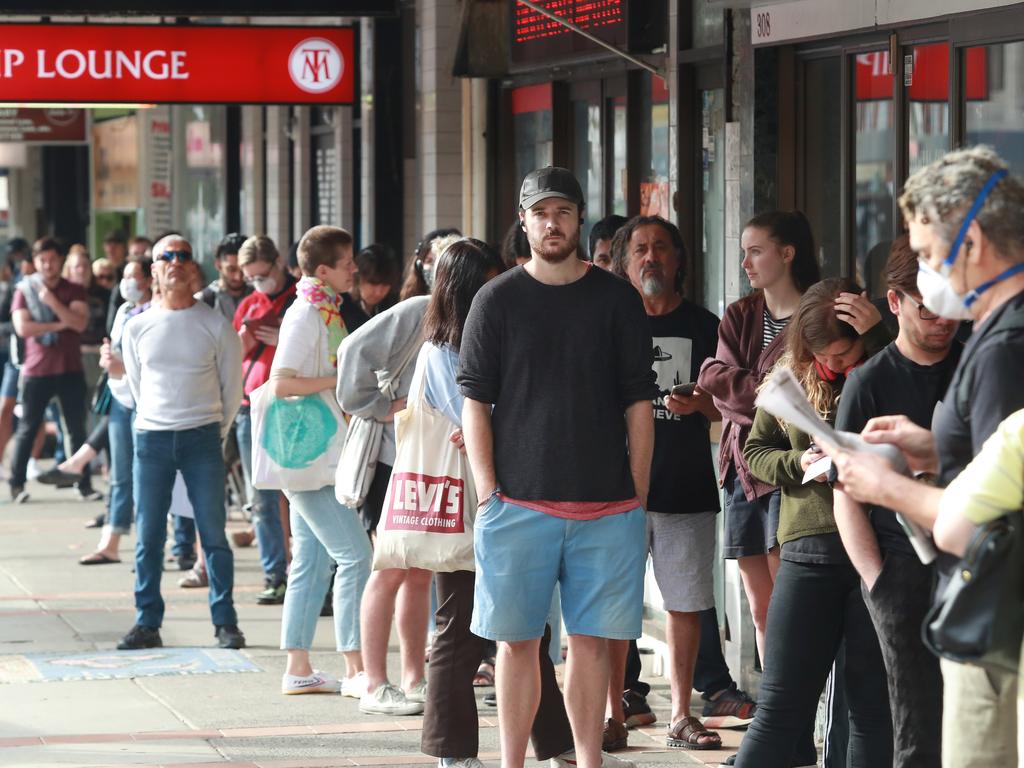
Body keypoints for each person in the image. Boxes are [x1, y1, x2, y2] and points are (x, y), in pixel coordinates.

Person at [828, 145, 1024, 768]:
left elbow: (974, 515)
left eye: (933, 258)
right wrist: (936, 445)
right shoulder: (999, 335)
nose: (930, 284)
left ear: (971, 245)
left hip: (996, 604)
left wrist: (882, 486)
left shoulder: (1002, 348)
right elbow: (1004, 460)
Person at [459, 166, 656, 768]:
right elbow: (475, 403)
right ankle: (512, 763)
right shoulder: (496, 299)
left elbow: (638, 404)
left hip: (608, 508)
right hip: (518, 504)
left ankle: (590, 760)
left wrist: (638, 495)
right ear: (524, 221)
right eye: (541, 213)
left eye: (563, 212)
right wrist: (488, 490)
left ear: (577, 218)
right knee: (517, 644)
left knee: (591, 644)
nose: (553, 223)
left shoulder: (616, 297)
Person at [734, 278, 891, 768]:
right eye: (826, 357)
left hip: (878, 549)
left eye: (845, 355)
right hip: (811, 545)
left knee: (871, 708)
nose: (835, 367)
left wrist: (882, 337)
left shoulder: (888, 367)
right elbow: (755, 451)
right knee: (780, 705)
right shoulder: (791, 375)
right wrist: (798, 465)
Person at [609, 215, 739, 751]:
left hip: (685, 485)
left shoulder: (706, 325)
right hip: (615, 489)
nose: (651, 258)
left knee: (686, 603)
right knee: (611, 605)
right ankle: (611, 709)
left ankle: (682, 714)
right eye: (640, 249)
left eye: (661, 248)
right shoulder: (610, 321)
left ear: (679, 258)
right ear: (624, 261)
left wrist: (702, 403)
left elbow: (731, 405)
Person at [830, 235, 959, 768]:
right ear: (896, 302)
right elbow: (845, 496)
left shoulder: (981, 361)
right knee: (916, 727)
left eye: (949, 306)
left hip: (978, 560)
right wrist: (877, 583)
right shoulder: (868, 383)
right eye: (927, 308)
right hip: (902, 568)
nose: (941, 320)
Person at [696, 210, 821, 666]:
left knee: (792, 600)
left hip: (792, 469)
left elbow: (809, 393)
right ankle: (774, 711)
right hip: (740, 468)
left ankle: (802, 714)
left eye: (755, 251)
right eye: (743, 252)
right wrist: (770, 389)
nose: (745, 263)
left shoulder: (816, 313)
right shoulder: (740, 313)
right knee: (759, 604)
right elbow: (712, 376)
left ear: (786, 253)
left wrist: (740, 387)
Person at [117, 235, 244, 651]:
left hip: (202, 437)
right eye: (165, 256)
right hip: (151, 439)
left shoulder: (215, 325)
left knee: (213, 536)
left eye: (182, 255)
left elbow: (231, 393)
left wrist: (213, 432)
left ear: (193, 267)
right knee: (148, 537)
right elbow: (136, 387)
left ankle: (225, 622)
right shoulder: (136, 327)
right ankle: (146, 622)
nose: (175, 262)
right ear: (153, 269)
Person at [268, 225, 372, 697]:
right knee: (356, 556)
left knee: (311, 560)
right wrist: (336, 381)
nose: (356, 268)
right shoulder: (308, 314)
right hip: (311, 454)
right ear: (324, 270)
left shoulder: (322, 310)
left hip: (314, 452)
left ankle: (299, 666)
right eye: (348, 262)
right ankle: (355, 668)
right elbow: (282, 382)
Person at [71, 254, 155, 565]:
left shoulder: (158, 313)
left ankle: (166, 545)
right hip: (121, 396)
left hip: (148, 401)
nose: (128, 284)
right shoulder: (123, 309)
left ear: (149, 280)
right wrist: (111, 357)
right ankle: (111, 542)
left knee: (148, 475)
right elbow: (116, 344)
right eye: (125, 277)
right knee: (120, 474)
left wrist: (123, 364)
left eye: (134, 277)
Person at [233, 236, 294, 605]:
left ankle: (305, 568)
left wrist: (286, 334)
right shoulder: (249, 304)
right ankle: (275, 572)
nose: (259, 283)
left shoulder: (302, 301)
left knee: (299, 490)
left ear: (278, 264)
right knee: (262, 496)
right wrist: (244, 337)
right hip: (250, 407)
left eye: (264, 274)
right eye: (252, 278)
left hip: (294, 408)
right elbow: (232, 357)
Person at [8, 237, 93, 504]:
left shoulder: (74, 289)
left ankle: (84, 484)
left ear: (60, 261)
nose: (48, 265)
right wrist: (58, 324)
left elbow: (79, 323)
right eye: (42, 260)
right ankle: (16, 484)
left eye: (53, 259)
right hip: (37, 370)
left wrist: (53, 304)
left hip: (70, 369)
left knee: (76, 429)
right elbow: (23, 328)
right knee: (28, 428)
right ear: (35, 262)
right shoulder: (24, 289)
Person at [200, 233, 252, 322]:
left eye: (243, 269)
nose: (238, 277)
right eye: (231, 269)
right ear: (218, 265)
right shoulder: (202, 302)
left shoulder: (261, 297)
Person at [399, 228, 461, 300]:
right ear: (419, 266)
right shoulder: (414, 304)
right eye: (429, 261)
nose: (435, 267)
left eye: (442, 261)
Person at [354, 243, 400, 317]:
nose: (378, 292)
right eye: (373, 283)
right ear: (358, 278)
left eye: (385, 284)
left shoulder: (395, 306)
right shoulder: (340, 306)